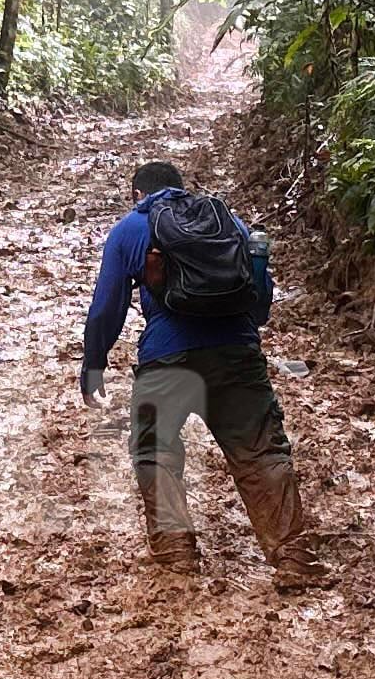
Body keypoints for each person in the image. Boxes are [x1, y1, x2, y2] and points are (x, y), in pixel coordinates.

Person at [79, 160, 317, 584]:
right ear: (180, 188)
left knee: (156, 449)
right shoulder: (228, 222)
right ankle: (292, 557)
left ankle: (177, 553)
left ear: (137, 194)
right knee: (261, 451)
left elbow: (105, 309)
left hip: (166, 359)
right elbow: (259, 304)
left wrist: (94, 362)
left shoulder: (131, 229)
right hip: (236, 354)